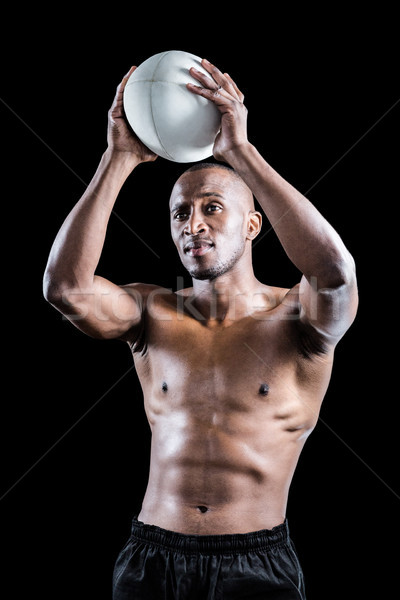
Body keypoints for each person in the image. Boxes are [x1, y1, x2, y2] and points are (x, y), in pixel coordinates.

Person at [43, 58, 358, 599]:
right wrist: (117, 159)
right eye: (180, 213)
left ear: (253, 226)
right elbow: (65, 289)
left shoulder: (299, 318)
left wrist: (240, 152)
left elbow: (335, 271)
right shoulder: (150, 312)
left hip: (256, 566)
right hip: (151, 559)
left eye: (213, 208)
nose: (194, 224)